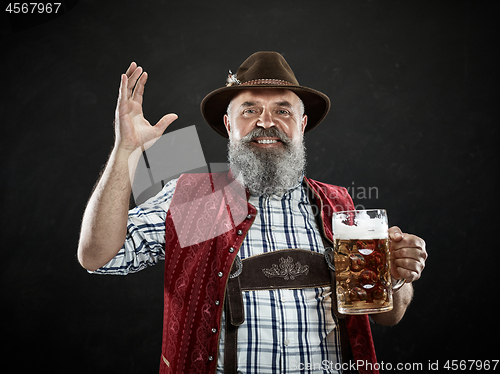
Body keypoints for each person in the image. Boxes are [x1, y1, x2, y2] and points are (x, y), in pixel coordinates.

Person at [78, 51, 427, 374]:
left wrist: (395, 279)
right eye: (248, 110)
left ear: (302, 125)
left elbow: (386, 315)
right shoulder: (196, 198)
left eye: (282, 110)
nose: (265, 122)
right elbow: (98, 256)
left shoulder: (339, 207)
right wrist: (125, 153)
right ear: (229, 126)